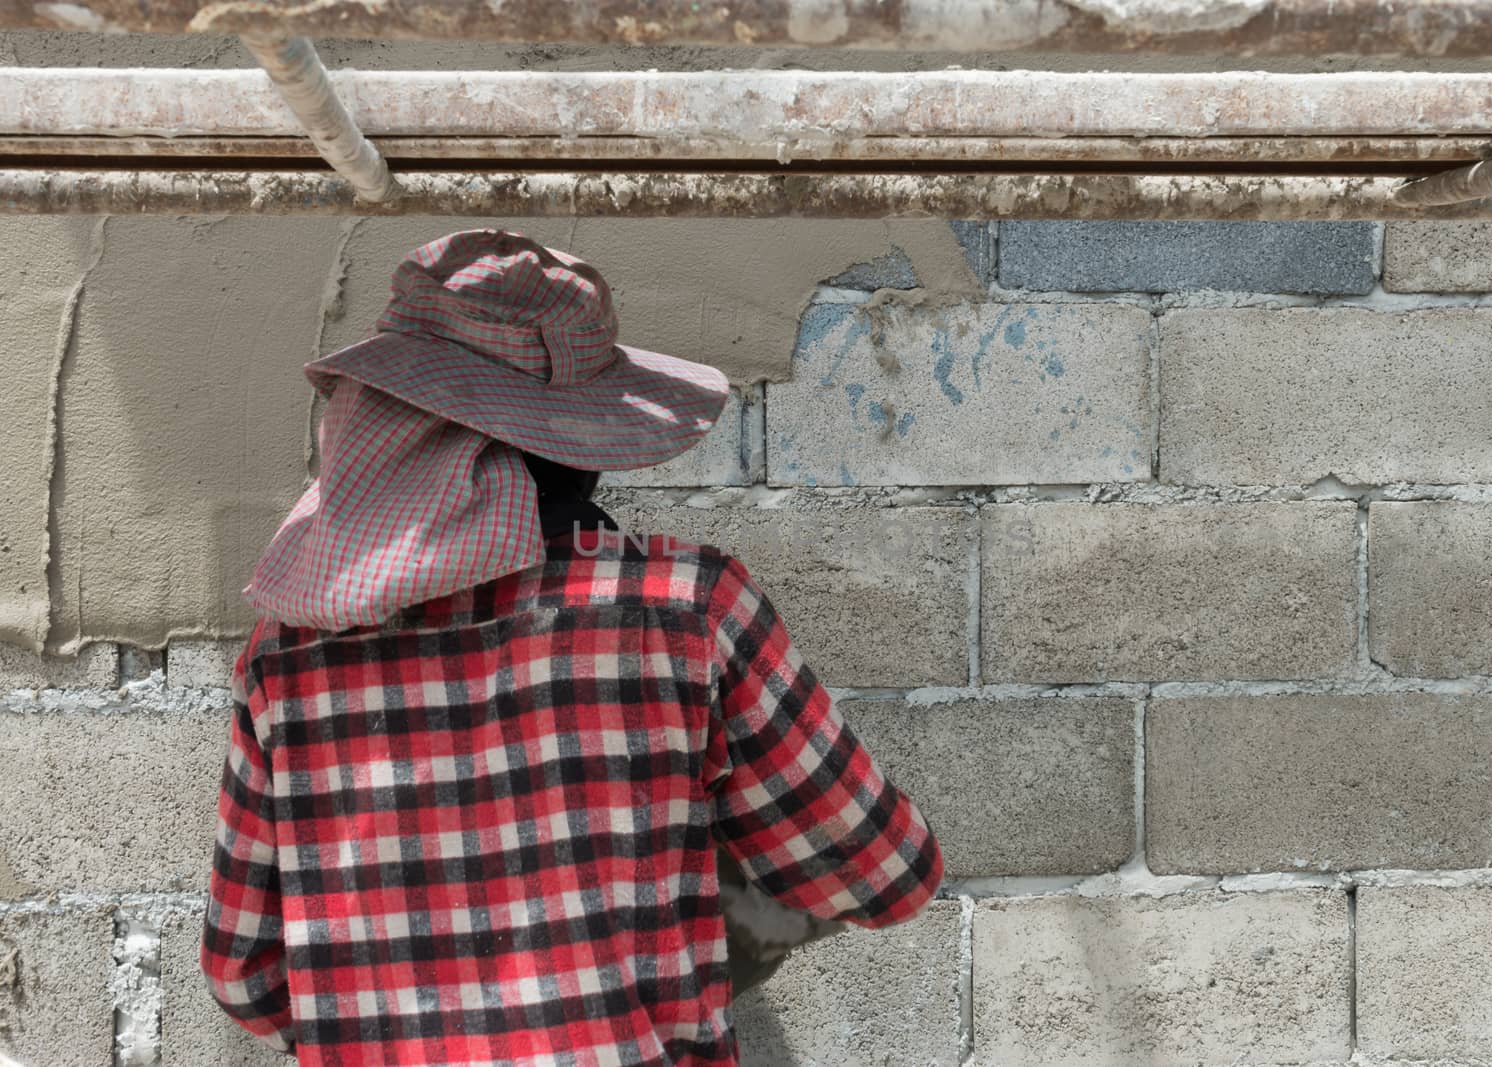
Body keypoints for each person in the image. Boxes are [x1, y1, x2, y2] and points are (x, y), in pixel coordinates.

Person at [200, 229, 944, 1066]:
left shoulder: (288, 653)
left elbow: (245, 972)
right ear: (582, 452)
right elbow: (885, 873)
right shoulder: (687, 610)